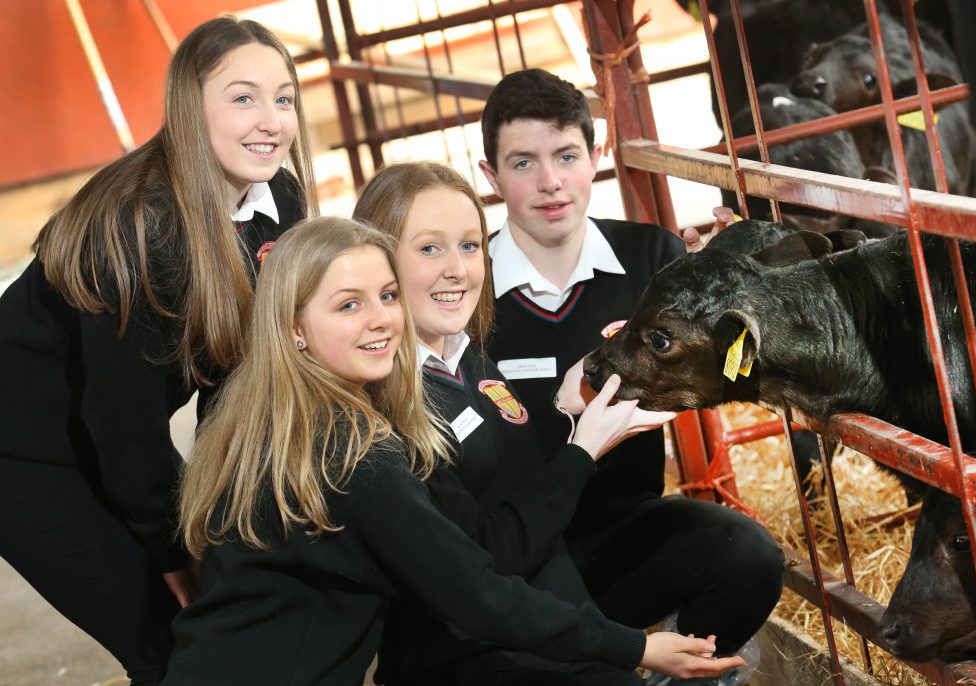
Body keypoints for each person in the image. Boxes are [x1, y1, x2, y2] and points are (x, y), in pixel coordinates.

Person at [163, 216, 744, 685]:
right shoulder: (350, 452)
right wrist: (636, 647)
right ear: (294, 328)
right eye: (348, 305)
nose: (381, 320)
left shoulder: (268, 417)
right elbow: (477, 593)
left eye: (387, 296)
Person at [0, 16, 315, 684]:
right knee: (167, 642)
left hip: (106, 431)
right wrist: (174, 552)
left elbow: (236, 378)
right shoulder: (143, 230)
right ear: (188, 107)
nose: (271, 121)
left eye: (284, 98)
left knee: (226, 609)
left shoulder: (278, 200)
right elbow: (125, 429)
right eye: (243, 97)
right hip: (20, 448)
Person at [478, 68, 785, 681]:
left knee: (747, 556)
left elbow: (736, 363)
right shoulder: (469, 287)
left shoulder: (653, 258)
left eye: (567, 156)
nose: (550, 181)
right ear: (491, 177)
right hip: (512, 554)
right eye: (523, 163)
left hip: (622, 528)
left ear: (596, 157)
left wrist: (739, 286)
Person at [354, 161, 701, 686]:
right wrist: (584, 450)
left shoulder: (466, 355)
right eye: (429, 248)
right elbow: (489, 559)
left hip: (544, 633)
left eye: (470, 245)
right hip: (469, 658)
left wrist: (565, 412)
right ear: (379, 261)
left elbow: (516, 489)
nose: (457, 269)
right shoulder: (387, 410)